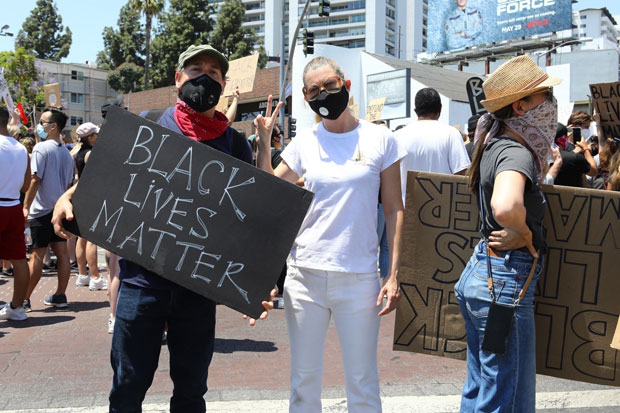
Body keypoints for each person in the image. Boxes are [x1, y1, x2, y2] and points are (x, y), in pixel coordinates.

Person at [52, 44, 276, 412]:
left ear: (224, 83)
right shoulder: (149, 123)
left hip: (198, 291)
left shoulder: (234, 143)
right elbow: (110, 170)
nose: (204, 77)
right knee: (126, 388)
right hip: (142, 286)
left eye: (214, 72)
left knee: (190, 393)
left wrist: (258, 279)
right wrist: (70, 195)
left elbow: (253, 214)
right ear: (177, 78)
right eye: (195, 69)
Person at [255, 56, 404, 412]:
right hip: (305, 276)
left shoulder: (381, 139)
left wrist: (394, 274)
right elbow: (270, 191)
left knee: (363, 381)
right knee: (304, 382)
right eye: (313, 91)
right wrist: (262, 141)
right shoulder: (304, 143)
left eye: (330, 86)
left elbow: (395, 208)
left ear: (346, 85)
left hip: (359, 278)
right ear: (306, 99)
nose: (323, 94)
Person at [454, 55, 561, 412]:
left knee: (483, 389)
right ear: (521, 106)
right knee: (505, 398)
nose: (550, 104)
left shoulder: (494, 142)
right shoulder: (516, 150)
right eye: (543, 95)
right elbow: (504, 205)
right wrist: (526, 234)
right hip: (504, 285)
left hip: (485, 278)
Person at [22, 108, 74, 310]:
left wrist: (25, 206)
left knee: (36, 256)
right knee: (62, 254)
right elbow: (69, 185)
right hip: (58, 210)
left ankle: (23, 299)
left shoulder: (41, 149)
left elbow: (35, 179)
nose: (39, 125)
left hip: (42, 210)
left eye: (42, 122)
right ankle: (60, 295)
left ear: (53, 126)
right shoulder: (67, 154)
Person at [396, 87, 471, 205]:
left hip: (406, 212)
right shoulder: (451, 134)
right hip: (441, 214)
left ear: (415, 111)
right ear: (440, 108)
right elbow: (462, 174)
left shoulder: (397, 136)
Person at [0, 108, 31, 320]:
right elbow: (26, 185)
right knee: (19, 259)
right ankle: (17, 307)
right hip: (13, 206)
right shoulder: (21, 149)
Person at [72, 122, 106, 291]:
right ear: (91, 137)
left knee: (81, 238)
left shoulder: (77, 153)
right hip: (92, 197)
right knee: (92, 239)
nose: (98, 137)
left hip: (81, 197)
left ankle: (82, 274)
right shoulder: (91, 154)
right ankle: (95, 277)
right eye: (96, 135)